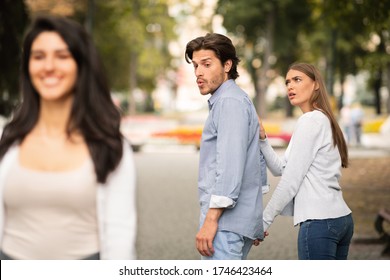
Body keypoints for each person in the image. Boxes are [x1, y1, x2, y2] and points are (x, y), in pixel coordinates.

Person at [0, 15, 136, 260]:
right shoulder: (7, 139)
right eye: (38, 56)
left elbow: (120, 236)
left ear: (81, 65)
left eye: (62, 56)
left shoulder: (111, 146)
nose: (48, 66)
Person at [258, 62, 354, 260]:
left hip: (320, 223)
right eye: (287, 82)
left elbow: (290, 182)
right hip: (340, 219)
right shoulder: (322, 119)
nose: (290, 86)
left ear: (316, 84)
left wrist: (263, 222)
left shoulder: (310, 121)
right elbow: (281, 169)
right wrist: (262, 139)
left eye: (297, 80)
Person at [185, 33, 268, 260]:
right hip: (235, 222)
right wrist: (252, 217)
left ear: (227, 65)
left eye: (207, 64)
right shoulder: (234, 99)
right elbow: (254, 164)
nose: (198, 73)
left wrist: (211, 221)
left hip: (224, 224)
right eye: (195, 66)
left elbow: (230, 167)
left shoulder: (229, 102)